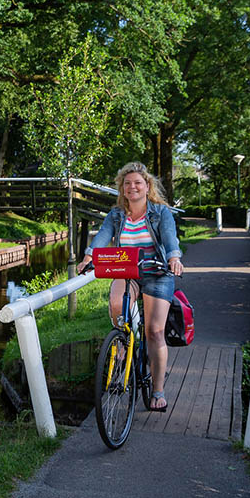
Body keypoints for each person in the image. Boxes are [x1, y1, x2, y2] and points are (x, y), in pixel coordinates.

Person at [76, 162, 183, 411]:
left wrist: (174, 257)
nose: (132, 187)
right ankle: (124, 342)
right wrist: (89, 257)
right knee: (116, 305)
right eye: (127, 183)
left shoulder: (160, 212)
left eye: (137, 182)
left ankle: (157, 390)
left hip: (157, 272)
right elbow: (103, 236)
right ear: (122, 189)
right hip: (128, 270)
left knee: (155, 331)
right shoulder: (116, 215)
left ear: (147, 186)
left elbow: (169, 237)